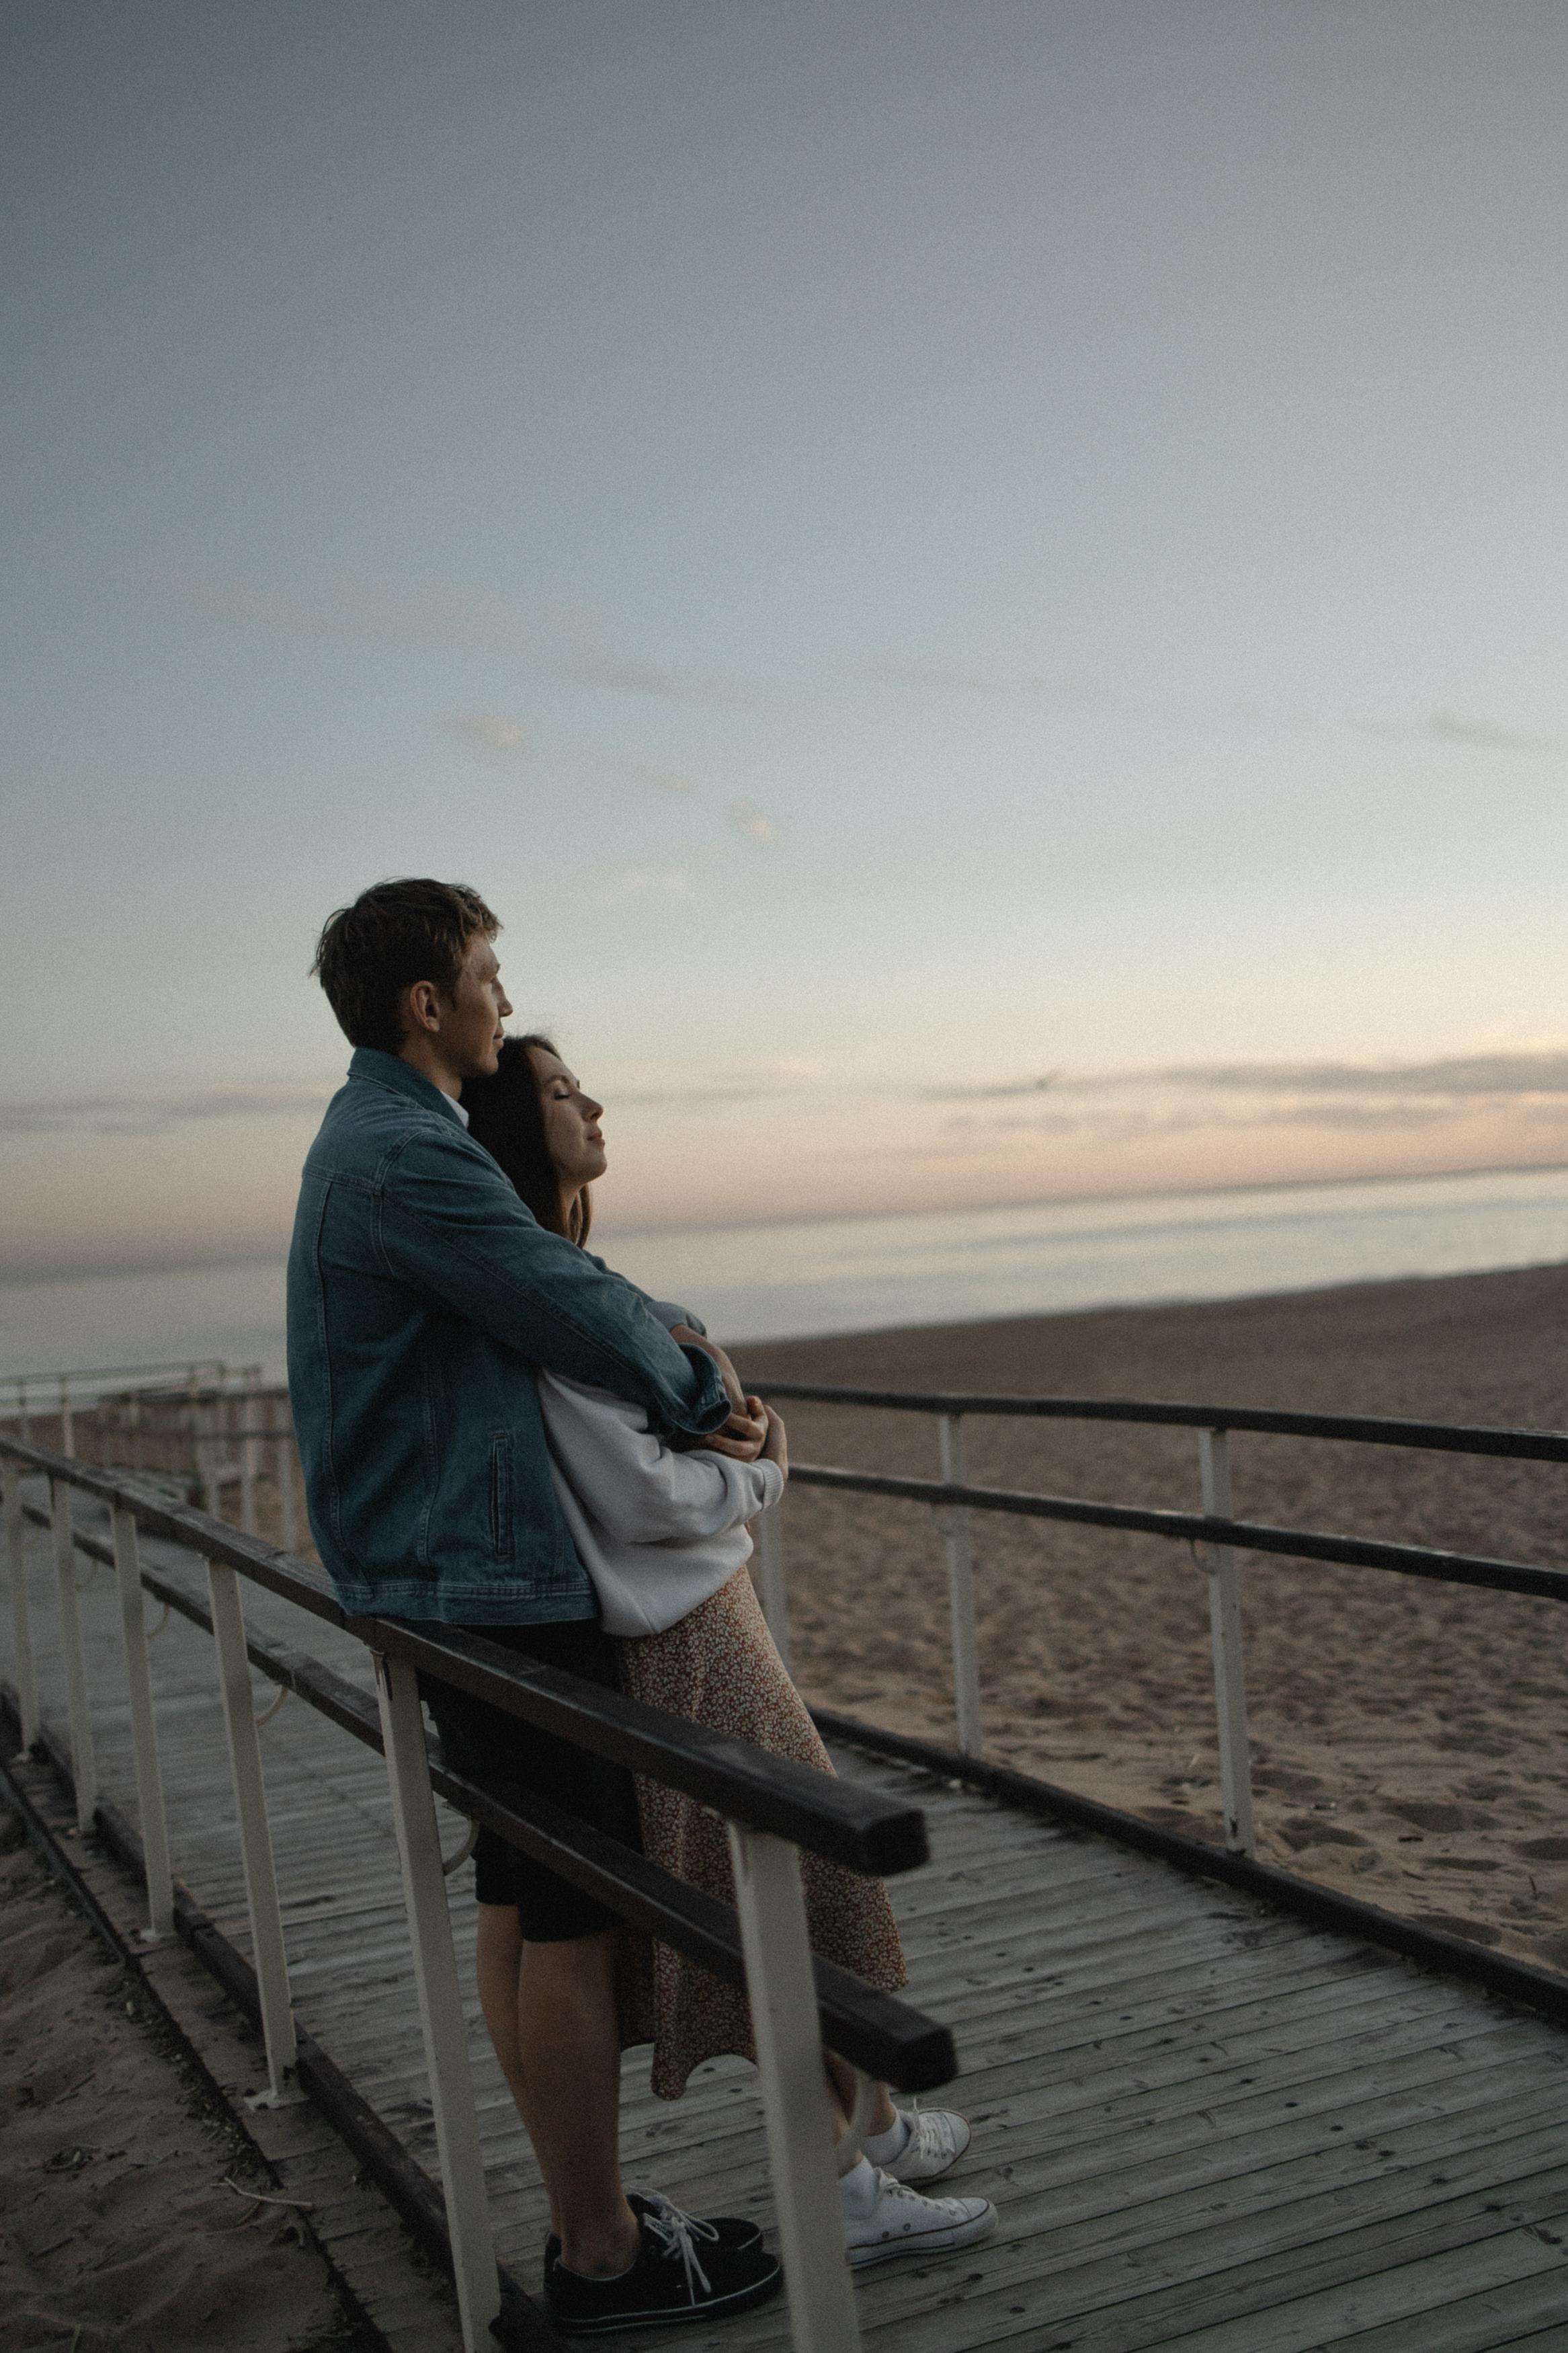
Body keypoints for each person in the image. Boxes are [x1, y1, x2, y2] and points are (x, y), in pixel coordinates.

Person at [286, 879, 784, 2335]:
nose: (507, 995)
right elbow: (567, 1300)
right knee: (564, 1907)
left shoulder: (375, 1137)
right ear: (426, 1005)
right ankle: (601, 2256)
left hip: (438, 1570)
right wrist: (715, 1393)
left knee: (518, 1895)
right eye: (489, 975)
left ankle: (592, 2225)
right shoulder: (406, 1154)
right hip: (478, 1581)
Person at [461, 1034, 999, 2269]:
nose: (590, 1103)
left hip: (714, 1617)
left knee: (797, 1895)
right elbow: (645, 1496)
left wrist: (751, 1462)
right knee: (768, 1906)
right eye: (555, 1092)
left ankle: (862, 2128)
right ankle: (841, 2186)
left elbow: (717, 1459)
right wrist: (753, 1476)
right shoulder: (549, 1303)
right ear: (510, 1130)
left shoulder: (580, 1282)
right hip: (680, 1641)